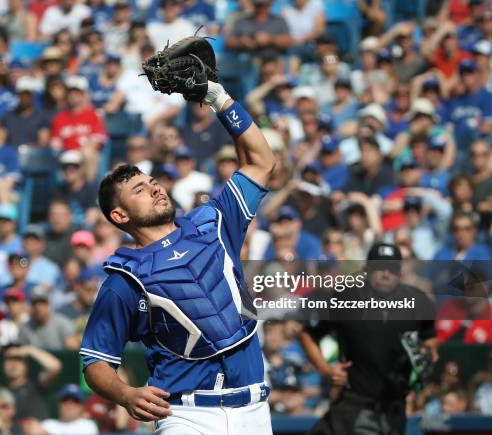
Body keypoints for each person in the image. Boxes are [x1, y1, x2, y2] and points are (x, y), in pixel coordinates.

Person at [82, 76, 275, 433]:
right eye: (140, 189)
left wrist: (220, 99)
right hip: (186, 415)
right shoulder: (124, 278)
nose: (154, 188)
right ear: (120, 216)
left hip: (254, 409)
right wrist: (125, 394)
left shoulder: (213, 221)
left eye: (152, 182)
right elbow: (95, 360)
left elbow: (262, 163)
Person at [300, 243, 438, 435]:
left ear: (400, 271)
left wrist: (427, 352)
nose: (385, 273)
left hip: (394, 407)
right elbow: (308, 334)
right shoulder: (346, 298)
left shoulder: (418, 301)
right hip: (355, 404)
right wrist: (325, 369)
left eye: (392, 268)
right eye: (379, 267)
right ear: (367, 269)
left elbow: (430, 338)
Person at [1, 342, 62, 421]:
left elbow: (55, 367)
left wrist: (29, 350)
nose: (13, 364)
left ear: (26, 365)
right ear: (2, 365)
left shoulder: (36, 384)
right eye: (9, 359)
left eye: (18, 359)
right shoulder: (0, 393)